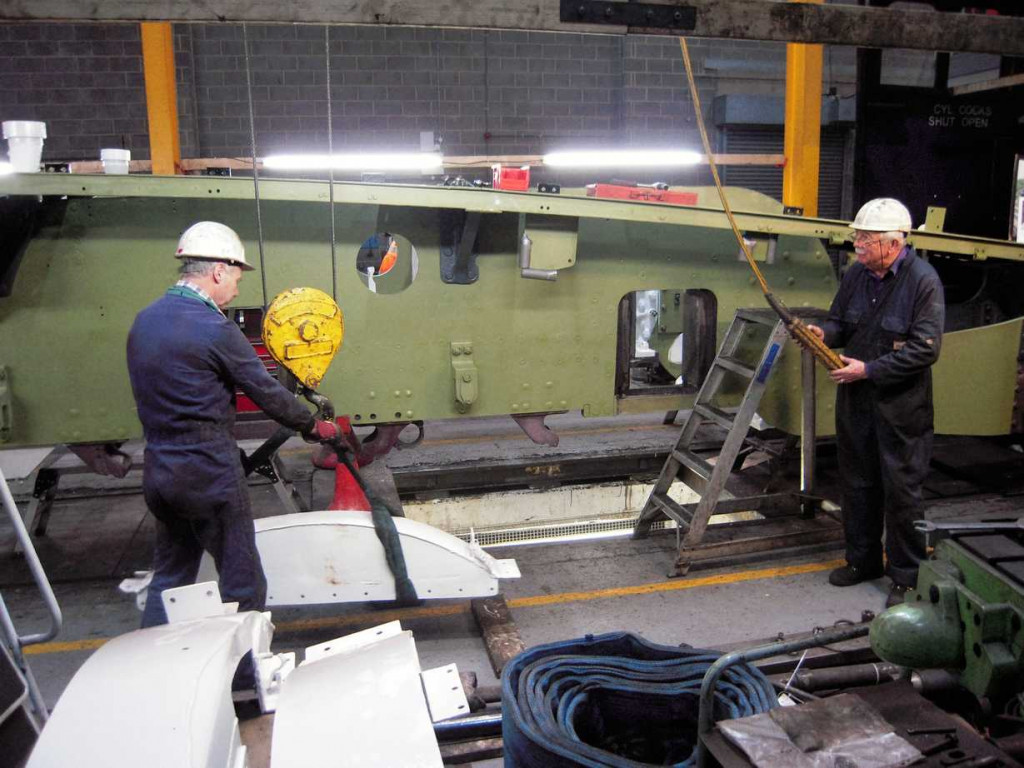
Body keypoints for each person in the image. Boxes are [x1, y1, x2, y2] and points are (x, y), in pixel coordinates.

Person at [127, 221, 338, 627]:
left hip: (159, 472)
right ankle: (244, 666)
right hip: (208, 471)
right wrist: (312, 426)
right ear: (218, 271)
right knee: (243, 585)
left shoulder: (145, 321)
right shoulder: (214, 328)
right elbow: (266, 391)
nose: (237, 291)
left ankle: (152, 657)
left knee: (170, 580)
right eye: (237, 279)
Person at [807, 198, 944, 608]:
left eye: (866, 240)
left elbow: (925, 349)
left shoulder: (923, 281)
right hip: (857, 401)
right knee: (858, 482)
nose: (858, 246)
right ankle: (862, 561)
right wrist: (824, 334)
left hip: (902, 406)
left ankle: (906, 576)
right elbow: (840, 321)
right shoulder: (856, 275)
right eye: (858, 238)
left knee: (902, 490)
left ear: (894, 243)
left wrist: (868, 370)